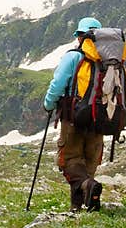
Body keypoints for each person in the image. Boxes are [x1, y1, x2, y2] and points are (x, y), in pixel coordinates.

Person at [43, 17, 105, 212]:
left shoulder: (73, 57)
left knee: (70, 160)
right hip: (100, 118)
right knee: (89, 160)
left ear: (79, 36)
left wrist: (48, 104)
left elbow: (58, 83)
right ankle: (80, 204)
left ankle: (87, 188)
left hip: (74, 116)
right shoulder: (108, 59)